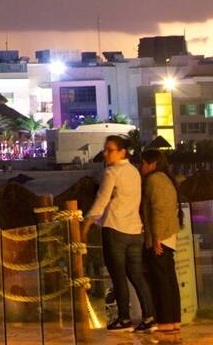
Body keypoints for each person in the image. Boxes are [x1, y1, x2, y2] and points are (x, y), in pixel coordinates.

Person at [86, 135, 153, 332]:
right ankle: (149, 317)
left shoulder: (111, 172)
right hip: (135, 230)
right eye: (105, 149)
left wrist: (88, 222)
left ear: (122, 152)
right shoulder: (134, 172)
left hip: (115, 229)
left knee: (118, 276)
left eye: (110, 150)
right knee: (137, 275)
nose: (105, 153)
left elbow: (102, 199)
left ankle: (124, 319)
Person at [139, 149, 182, 333]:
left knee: (160, 281)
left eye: (143, 163)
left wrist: (156, 237)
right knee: (169, 280)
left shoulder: (154, 180)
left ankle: (165, 321)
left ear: (152, 164)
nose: (141, 167)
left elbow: (158, 209)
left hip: (160, 237)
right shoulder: (166, 179)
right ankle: (173, 321)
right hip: (169, 235)